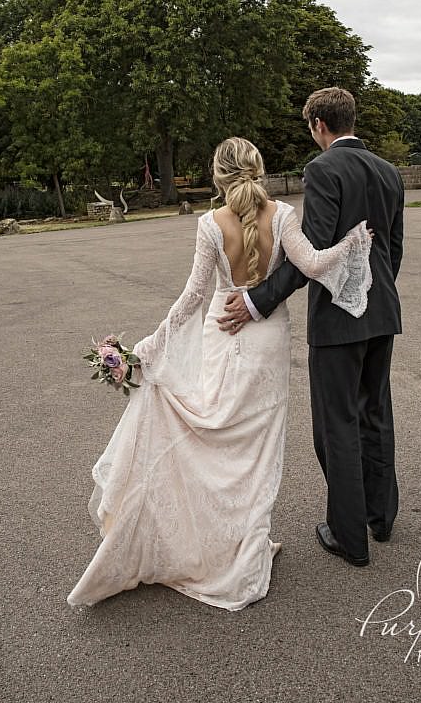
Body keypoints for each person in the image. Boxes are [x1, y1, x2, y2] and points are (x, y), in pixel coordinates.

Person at [67, 137, 373, 611]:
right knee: (256, 451)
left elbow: (191, 299)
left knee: (215, 435)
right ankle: (245, 550)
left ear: (218, 176)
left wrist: (145, 351)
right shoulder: (285, 215)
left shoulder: (209, 223)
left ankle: (215, 547)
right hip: (267, 341)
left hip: (221, 333)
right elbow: (312, 265)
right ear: (259, 169)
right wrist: (352, 243)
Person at [220, 88, 404, 567]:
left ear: (319, 124)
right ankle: (381, 518)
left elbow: (313, 255)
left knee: (336, 424)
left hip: (338, 321)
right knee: (375, 414)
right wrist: (374, 297)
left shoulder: (323, 170)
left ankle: (349, 536)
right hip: (383, 311)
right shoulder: (389, 171)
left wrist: (257, 300)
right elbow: (394, 250)